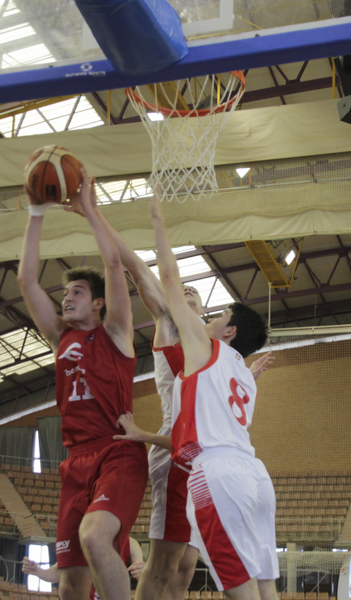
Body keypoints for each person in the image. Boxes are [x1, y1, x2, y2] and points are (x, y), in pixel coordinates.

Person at [85, 200, 273, 600]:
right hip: (177, 451)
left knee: (187, 568)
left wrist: (248, 375)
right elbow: (138, 268)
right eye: (182, 293)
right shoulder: (172, 327)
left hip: (205, 454)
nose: (187, 295)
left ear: (216, 325)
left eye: (196, 298)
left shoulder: (218, 356)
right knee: (165, 565)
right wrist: (93, 213)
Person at [17, 169, 148, 600]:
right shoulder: (61, 337)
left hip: (116, 451)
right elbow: (25, 281)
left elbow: (114, 263)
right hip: (75, 463)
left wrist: (89, 209)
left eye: (75, 292)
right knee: (71, 585)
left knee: (95, 538)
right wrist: (37, 211)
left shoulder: (114, 332)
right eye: (65, 292)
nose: (66, 298)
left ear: (96, 303)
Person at [144, 190, 276, 600]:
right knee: (265, 585)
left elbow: (168, 280)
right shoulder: (246, 376)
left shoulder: (207, 348)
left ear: (230, 332)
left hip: (217, 472)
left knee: (239, 589)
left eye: (219, 316)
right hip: (257, 476)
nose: (212, 319)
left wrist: (158, 222)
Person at [22, 537, 144, 597]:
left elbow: (141, 574)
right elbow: (59, 572)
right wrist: (38, 571)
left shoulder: (131, 544)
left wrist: (144, 573)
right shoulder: (82, 541)